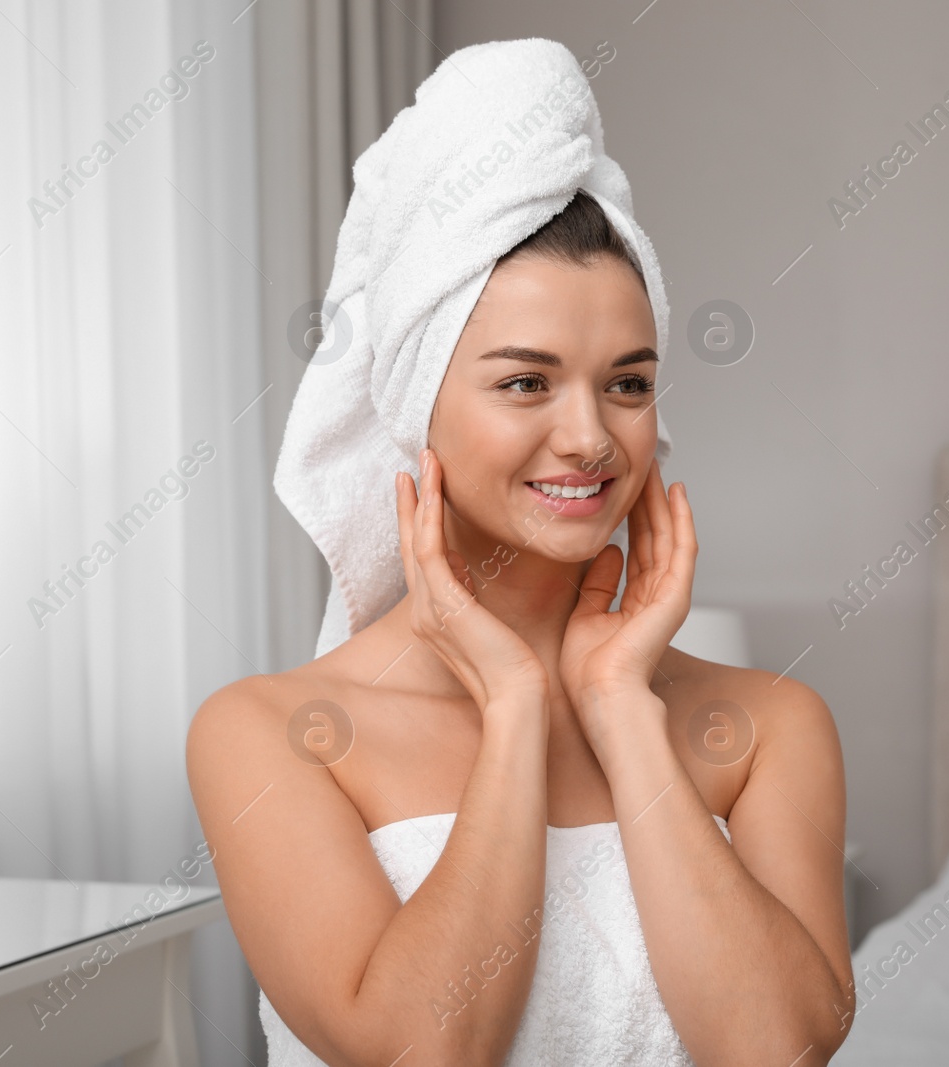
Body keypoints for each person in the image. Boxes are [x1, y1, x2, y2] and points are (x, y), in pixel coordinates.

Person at [187, 39, 853, 1067]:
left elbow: (773, 1049)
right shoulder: (272, 734)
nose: (590, 437)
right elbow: (422, 1049)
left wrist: (622, 705)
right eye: (524, 383)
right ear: (418, 410)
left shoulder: (768, 726)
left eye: (627, 383)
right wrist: (511, 706)